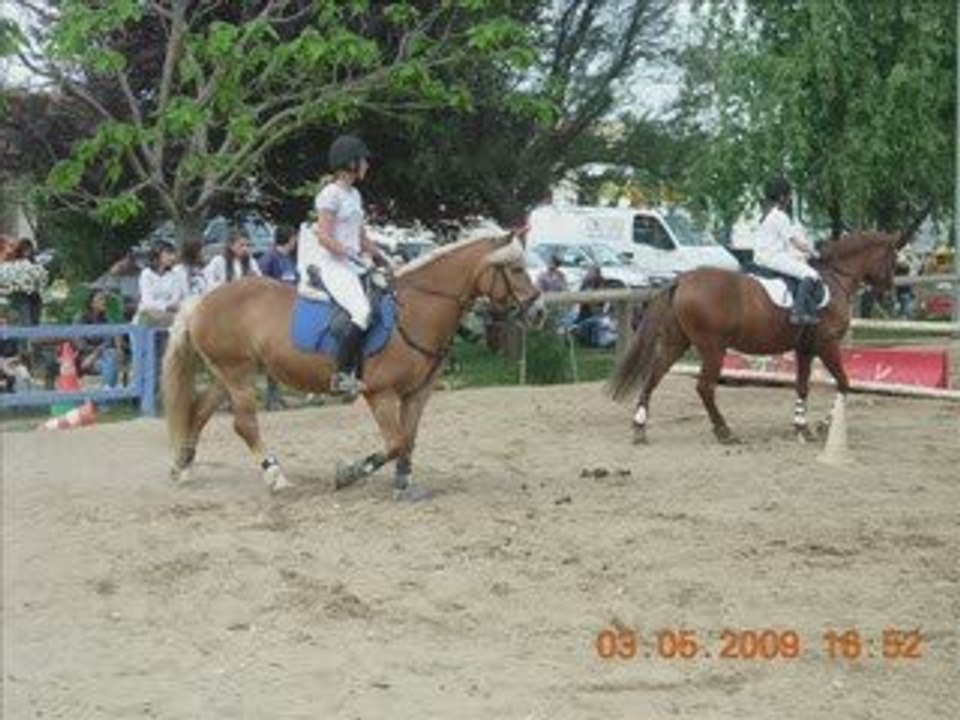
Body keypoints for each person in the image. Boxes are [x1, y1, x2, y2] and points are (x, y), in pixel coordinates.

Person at [298, 134, 388, 396]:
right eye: (363, 161)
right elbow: (324, 236)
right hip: (334, 267)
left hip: (355, 264)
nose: (367, 165)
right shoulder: (330, 194)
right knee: (361, 312)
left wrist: (381, 255)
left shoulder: (355, 194)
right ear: (351, 163)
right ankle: (341, 374)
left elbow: (360, 236)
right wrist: (351, 254)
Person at [752, 177, 820, 325]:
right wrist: (813, 252)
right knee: (811, 274)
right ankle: (798, 312)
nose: (790, 199)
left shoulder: (767, 214)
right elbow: (794, 242)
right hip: (772, 257)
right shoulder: (780, 216)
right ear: (782, 197)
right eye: (789, 196)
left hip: (761, 256)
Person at [259, 224, 299, 409]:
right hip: (273, 312)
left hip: (289, 309)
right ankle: (271, 395)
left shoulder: (288, 259)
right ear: (290, 238)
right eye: (294, 237)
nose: (296, 241)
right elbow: (262, 283)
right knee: (272, 352)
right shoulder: (270, 258)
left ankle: (276, 394)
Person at [74, 289, 121, 388]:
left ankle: (105, 396)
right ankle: (107, 398)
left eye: (104, 299)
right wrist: (94, 354)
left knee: (111, 358)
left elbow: (108, 341)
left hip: (100, 357)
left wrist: (95, 354)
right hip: (84, 358)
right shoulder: (81, 318)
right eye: (100, 299)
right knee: (111, 361)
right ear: (92, 303)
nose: (104, 302)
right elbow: (80, 345)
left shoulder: (105, 319)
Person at [135, 241, 181, 326]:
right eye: (168, 253)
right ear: (157, 255)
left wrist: (165, 307)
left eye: (173, 254)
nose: (172, 257)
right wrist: (166, 306)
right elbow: (147, 301)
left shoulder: (174, 275)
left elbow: (175, 299)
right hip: (148, 315)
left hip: (168, 315)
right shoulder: (146, 274)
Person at [575, 265, 616, 348]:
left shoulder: (602, 284)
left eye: (590, 272)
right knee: (583, 324)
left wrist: (591, 298)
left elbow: (601, 303)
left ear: (597, 274)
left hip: (599, 314)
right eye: (588, 272)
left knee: (600, 323)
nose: (588, 274)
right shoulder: (585, 283)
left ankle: (599, 341)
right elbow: (580, 301)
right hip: (585, 315)